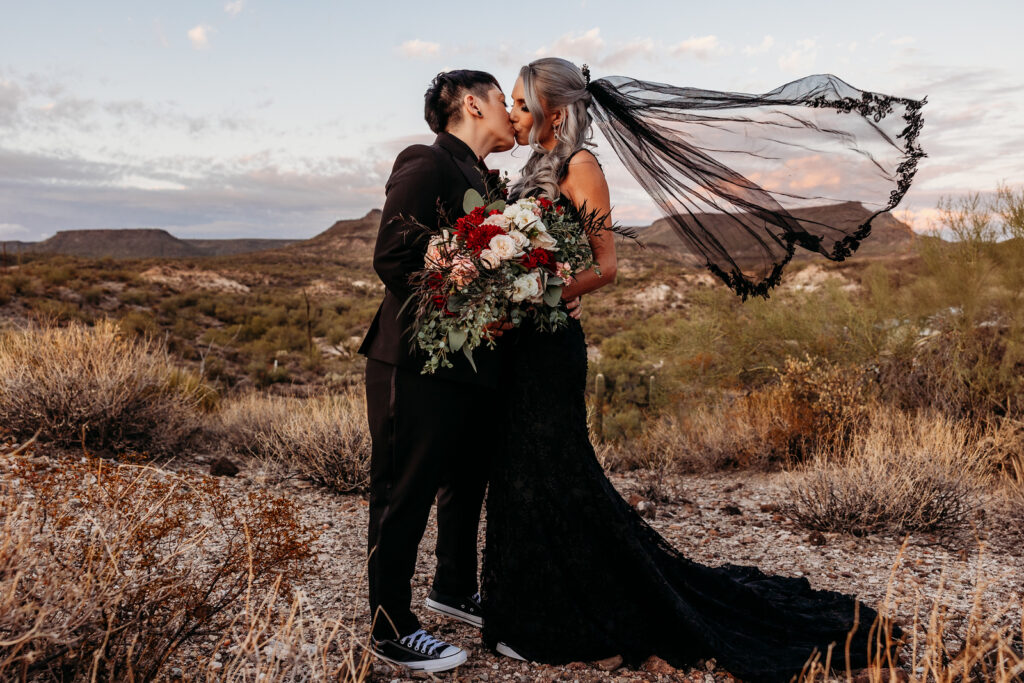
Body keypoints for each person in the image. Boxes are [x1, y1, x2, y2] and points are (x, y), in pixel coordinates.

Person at [463, 58, 922, 681]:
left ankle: (564, 615)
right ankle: (524, 607)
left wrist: (541, 288)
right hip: (519, 349)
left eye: (521, 104)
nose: (513, 114)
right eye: (513, 104)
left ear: (558, 113)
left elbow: (605, 265)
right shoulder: (531, 170)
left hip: (550, 347)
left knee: (554, 472)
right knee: (519, 474)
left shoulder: (581, 168)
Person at [356, 69, 515, 673]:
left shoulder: (486, 181)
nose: (511, 113)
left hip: (472, 365)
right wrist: (466, 301)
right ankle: (389, 625)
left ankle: (453, 588)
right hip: (415, 358)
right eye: (503, 101)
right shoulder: (426, 162)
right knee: (404, 489)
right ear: (472, 103)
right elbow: (393, 256)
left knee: (466, 480)